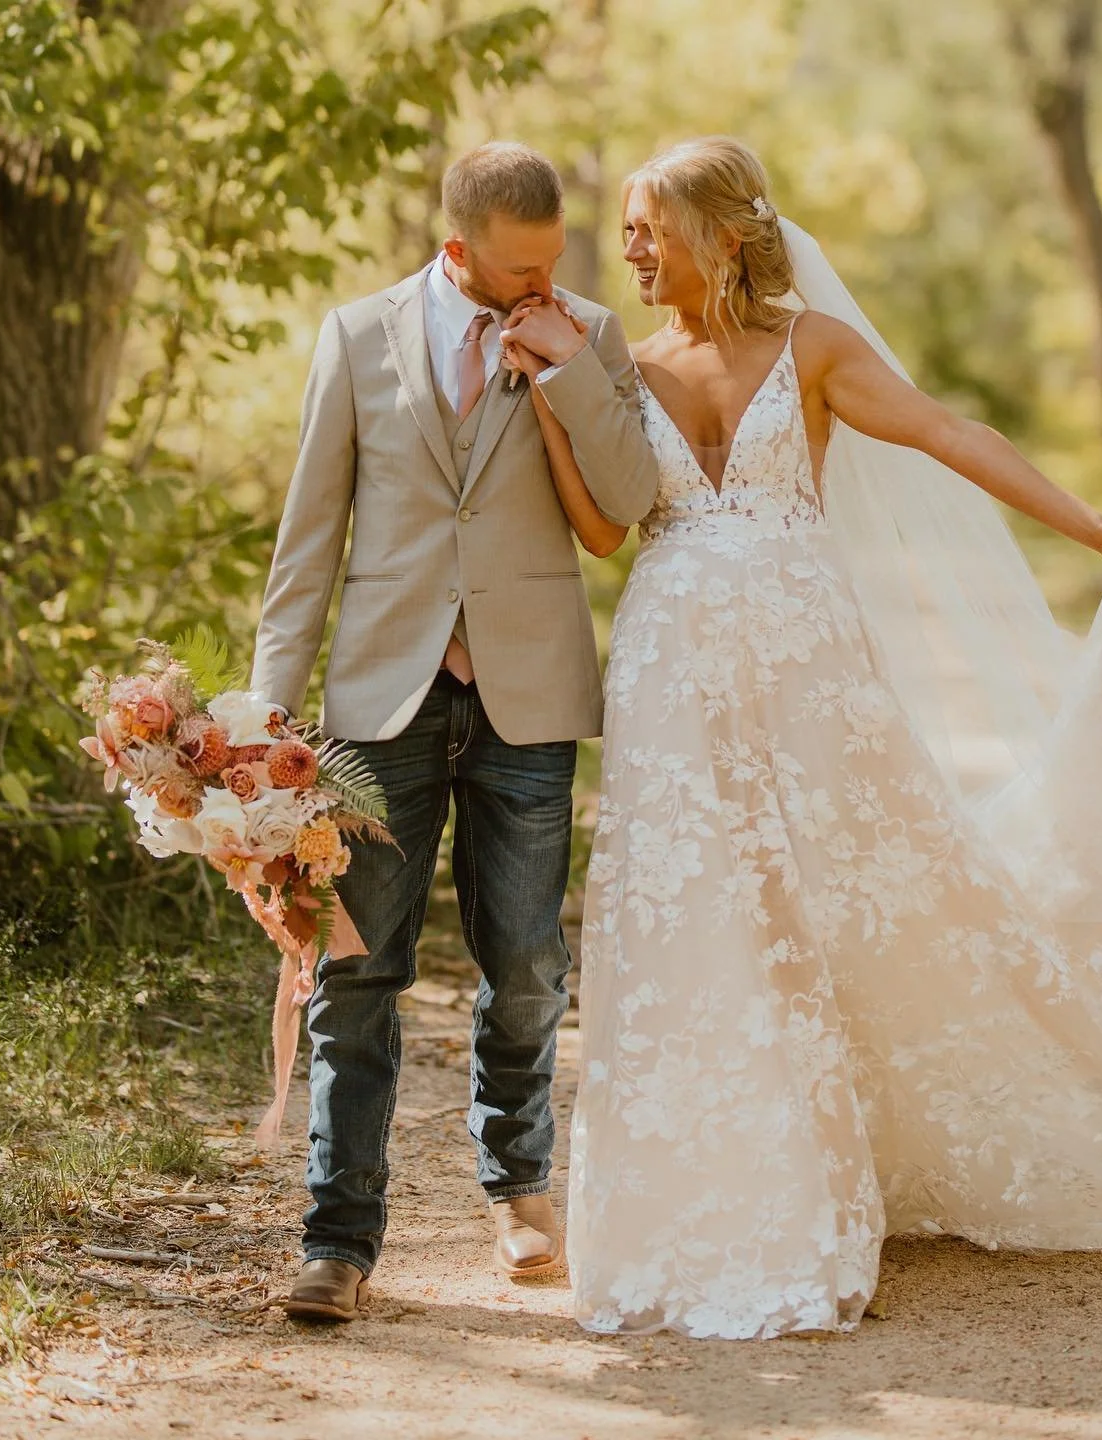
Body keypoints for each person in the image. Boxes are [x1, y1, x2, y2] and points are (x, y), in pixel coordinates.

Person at [540, 136, 1102, 1340]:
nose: (627, 248)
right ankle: (706, 1188)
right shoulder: (625, 362)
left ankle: (835, 1167)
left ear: (717, 236)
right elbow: (606, 536)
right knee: (696, 906)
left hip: (808, 664)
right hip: (670, 668)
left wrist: (1096, 530)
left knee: (831, 900)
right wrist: (558, 397)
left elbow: (944, 434)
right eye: (625, 228)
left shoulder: (812, 348)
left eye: (646, 227)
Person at [249, 141, 658, 1322]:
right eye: (519, 270)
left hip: (528, 691)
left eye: (556, 263)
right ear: (456, 247)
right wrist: (267, 721)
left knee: (526, 962)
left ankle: (521, 1189)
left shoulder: (584, 330)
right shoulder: (356, 336)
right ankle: (338, 1239)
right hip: (384, 698)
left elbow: (628, 502)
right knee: (354, 967)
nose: (544, 285)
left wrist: (569, 367)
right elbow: (308, 540)